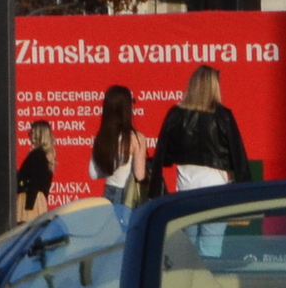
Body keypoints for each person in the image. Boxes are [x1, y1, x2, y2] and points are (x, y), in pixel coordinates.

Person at [150, 65, 249, 193]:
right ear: (214, 87)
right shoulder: (223, 116)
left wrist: (154, 191)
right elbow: (238, 157)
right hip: (215, 184)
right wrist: (246, 191)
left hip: (185, 185)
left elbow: (162, 154)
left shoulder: (176, 114)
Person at [90, 85, 143, 208]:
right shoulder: (136, 138)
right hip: (127, 195)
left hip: (108, 192)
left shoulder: (102, 137)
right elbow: (139, 175)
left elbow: (93, 173)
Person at [16, 121, 55, 225]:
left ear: (39, 135)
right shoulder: (45, 155)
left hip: (30, 199)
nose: (30, 136)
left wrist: (28, 207)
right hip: (38, 200)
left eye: (32, 133)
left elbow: (34, 182)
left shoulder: (36, 155)